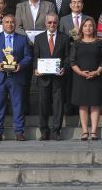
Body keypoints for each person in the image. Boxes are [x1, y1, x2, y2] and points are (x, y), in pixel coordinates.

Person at [0, 14, 32, 141]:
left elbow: (28, 56)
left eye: (12, 22)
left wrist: (20, 65)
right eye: (6, 22)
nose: (9, 24)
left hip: (17, 77)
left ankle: (19, 132)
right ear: (2, 24)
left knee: (18, 105)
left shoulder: (22, 39)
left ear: (15, 24)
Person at [15, 0, 55, 115]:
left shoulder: (49, 6)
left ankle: (47, 109)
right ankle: (25, 108)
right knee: (24, 79)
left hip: (44, 46)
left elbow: (51, 25)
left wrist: (39, 38)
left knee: (45, 78)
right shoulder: (20, 7)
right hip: (25, 47)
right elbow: (17, 27)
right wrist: (28, 37)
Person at [70, 18, 102, 141]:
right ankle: (85, 131)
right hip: (80, 77)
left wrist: (97, 72)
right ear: (81, 28)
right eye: (85, 26)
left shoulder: (100, 43)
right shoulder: (76, 43)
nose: (88, 28)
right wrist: (80, 72)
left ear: (94, 28)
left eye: (90, 26)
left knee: (95, 104)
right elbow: (72, 61)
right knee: (83, 105)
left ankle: (93, 132)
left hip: (96, 77)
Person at [33, 13, 70, 141]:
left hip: (58, 78)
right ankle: (44, 131)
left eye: (54, 22)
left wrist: (64, 67)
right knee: (43, 105)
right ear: (45, 23)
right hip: (43, 78)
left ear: (57, 23)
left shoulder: (64, 38)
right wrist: (35, 69)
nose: (52, 25)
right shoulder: (38, 38)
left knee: (58, 105)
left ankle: (56, 131)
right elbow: (35, 57)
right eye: (49, 22)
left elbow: (67, 57)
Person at [59, 0, 93, 115]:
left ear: (82, 5)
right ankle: (69, 107)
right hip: (69, 54)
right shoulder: (63, 19)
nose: (76, 4)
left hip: (85, 54)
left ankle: (84, 106)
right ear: (70, 5)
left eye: (79, 2)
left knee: (83, 81)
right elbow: (61, 38)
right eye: (74, 2)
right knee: (69, 82)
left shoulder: (88, 18)